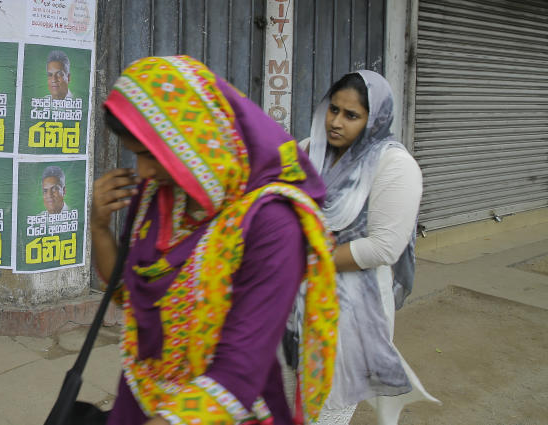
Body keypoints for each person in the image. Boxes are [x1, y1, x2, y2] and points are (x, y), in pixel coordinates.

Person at [92, 55, 338, 425]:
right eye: (136, 154)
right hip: (141, 394)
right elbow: (127, 295)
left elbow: (238, 372)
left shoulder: (273, 224)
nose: (141, 169)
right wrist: (98, 227)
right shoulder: (157, 193)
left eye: (150, 154)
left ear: (193, 137)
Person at [299, 71, 439, 425]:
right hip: (294, 303)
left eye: (351, 115)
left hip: (351, 314)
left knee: (326, 410)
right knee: (288, 401)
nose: (335, 122)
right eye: (333, 109)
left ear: (374, 119)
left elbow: (382, 248)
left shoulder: (394, 165)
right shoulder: (306, 151)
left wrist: (307, 259)